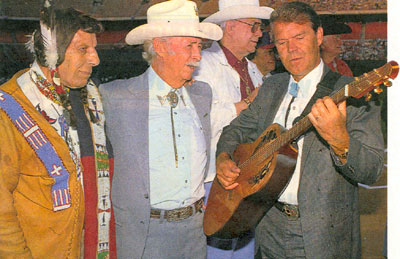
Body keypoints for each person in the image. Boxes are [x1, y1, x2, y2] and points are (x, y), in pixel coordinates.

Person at [215, 2, 384, 258]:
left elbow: (371, 169)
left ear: (318, 37)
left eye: (299, 37)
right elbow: (235, 130)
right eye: (282, 43)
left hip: (323, 235)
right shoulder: (272, 87)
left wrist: (340, 142)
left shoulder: (353, 93)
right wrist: (224, 157)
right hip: (265, 224)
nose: (291, 49)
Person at [99, 0, 222, 258]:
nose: (198, 55)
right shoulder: (115, 97)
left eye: (199, 46)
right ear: (160, 47)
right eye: (190, 45)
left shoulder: (201, 94)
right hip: (144, 235)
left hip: (196, 232)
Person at [0, 5, 116, 259]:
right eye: (83, 49)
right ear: (51, 54)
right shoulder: (8, 110)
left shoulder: (87, 97)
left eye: (94, 49)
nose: (95, 59)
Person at [193, 1, 273, 257]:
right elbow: (200, 120)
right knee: (216, 250)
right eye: (254, 27)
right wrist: (250, 102)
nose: (259, 34)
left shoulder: (252, 69)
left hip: (246, 178)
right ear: (230, 27)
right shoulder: (202, 65)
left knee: (244, 251)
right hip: (212, 178)